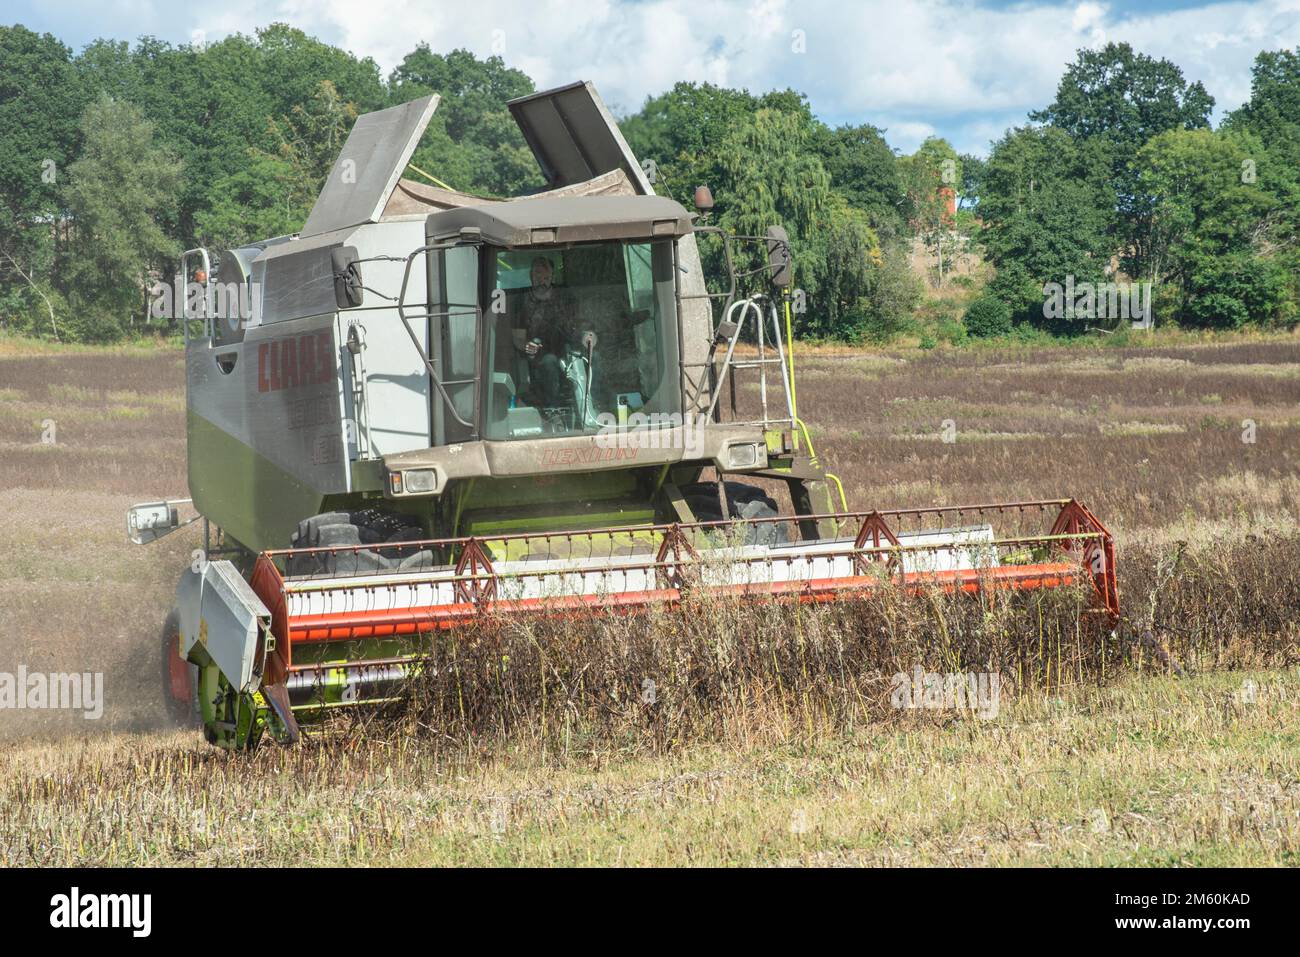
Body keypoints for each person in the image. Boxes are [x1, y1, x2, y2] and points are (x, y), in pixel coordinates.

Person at [512, 256, 583, 408]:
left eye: (546, 277)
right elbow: (518, 338)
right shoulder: (522, 301)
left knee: (591, 358)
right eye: (537, 275)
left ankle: (591, 407)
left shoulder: (565, 297)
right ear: (531, 277)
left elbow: (578, 324)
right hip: (537, 359)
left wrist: (587, 335)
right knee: (550, 362)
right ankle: (554, 410)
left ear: (552, 277)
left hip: (568, 353)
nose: (541, 280)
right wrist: (527, 346)